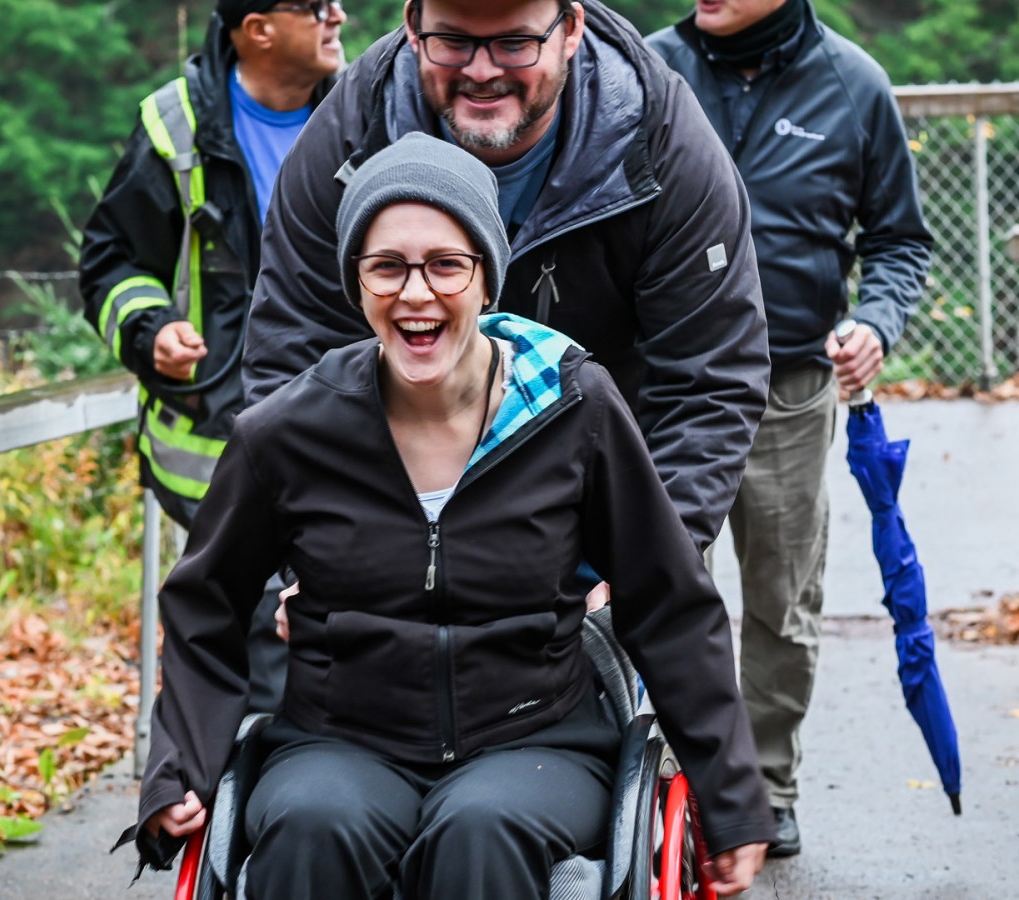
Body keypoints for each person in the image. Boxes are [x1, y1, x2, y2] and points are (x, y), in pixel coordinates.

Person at [124, 133, 772, 898]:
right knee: (311, 825)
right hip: (340, 738)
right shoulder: (289, 431)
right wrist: (179, 768)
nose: (416, 292)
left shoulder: (571, 408)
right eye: (387, 266)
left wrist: (730, 798)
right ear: (357, 283)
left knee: (480, 829)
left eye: (445, 265)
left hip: (537, 738)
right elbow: (208, 604)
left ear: (486, 278)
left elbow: (668, 599)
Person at [243, 0, 771, 555]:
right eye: (453, 40)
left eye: (515, 43)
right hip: (395, 516)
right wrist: (312, 549)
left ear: (570, 30)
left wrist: (650, 564)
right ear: (412, 28)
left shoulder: (664, 147)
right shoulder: (346, 141)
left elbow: (709, 376)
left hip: (609, 504)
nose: (482, 71)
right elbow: (292, 354)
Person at [647, 0, 933, 857]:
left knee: (781, 600)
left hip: (790, 387)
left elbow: (898, 240)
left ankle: (766, 785)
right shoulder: (648, 71)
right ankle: (663, 781)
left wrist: (875, 322)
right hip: (665, 384)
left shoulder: (854, 84)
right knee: (659, 587)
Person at [78, 0, 345, 709]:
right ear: (257, 29)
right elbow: (111, 263)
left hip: (350, 432)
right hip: (219, 441)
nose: (340, 16)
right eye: (317, 6)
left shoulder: (364, 112)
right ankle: (254, 798)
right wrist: (152, 330)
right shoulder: (176, 124)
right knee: (258, 642)